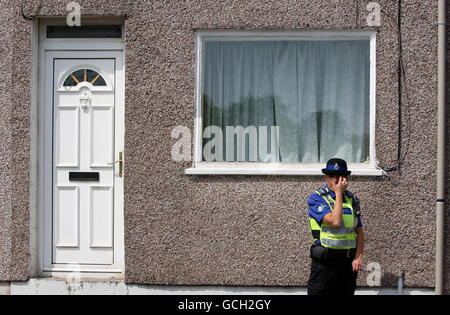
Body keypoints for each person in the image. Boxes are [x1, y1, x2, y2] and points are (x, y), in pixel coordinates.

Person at [306, 158, 365, 295]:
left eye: (340, 177)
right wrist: (338, 193)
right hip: (325, 263)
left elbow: (359, 232)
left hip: (346, 263)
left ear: (346, 179)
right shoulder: (317, 198)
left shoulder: (351, 200)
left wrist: (358, 257)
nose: (336, 180)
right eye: (332, 176)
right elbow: (335, 221)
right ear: (326, 178)